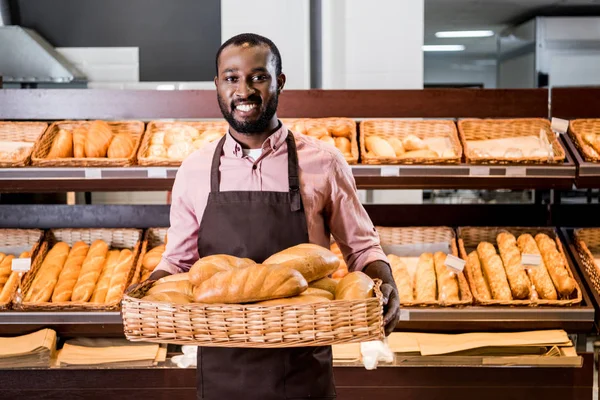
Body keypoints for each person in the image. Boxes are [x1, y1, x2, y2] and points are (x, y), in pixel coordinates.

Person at [149, 32, 400, 400]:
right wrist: (143, 293)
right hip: (223, 371)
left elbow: (361, 248)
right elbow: (178, 260)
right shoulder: (195, 169)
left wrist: (386, 280)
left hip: (302, 370)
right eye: (231, 78)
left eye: (258, 76)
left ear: (279, 82)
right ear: (217, 85)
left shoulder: (324, 163)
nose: (244, 90)